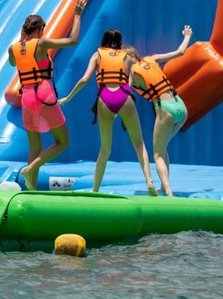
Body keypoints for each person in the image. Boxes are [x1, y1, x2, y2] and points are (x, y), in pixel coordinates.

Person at [59, 29, 157, 195]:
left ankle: (95, 189)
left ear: (104, 40)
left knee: (105, 148)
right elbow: (139, 74)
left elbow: (84, 79)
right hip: (124, 96)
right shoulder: (127, 56)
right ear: (119, 42)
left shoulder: (97, 55)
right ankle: (149, 181)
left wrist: (68, 98)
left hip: (105, 97)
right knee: (139, 144)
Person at [7, 0, 87, 191]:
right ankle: (31, 168)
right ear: (40, 29)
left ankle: (31, 189)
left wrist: (22, 40)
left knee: (34, 146)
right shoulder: (42, 43)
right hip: (44, 93)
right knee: (62, 142)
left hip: (26, 97)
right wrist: (77, 15)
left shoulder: (14, 48)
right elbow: (73, 40)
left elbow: (12, 63)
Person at [126, 25, 193, 196]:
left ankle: (169, 193)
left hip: (165, 110)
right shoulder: (151, 58)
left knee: (157, 154)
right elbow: (180, 52)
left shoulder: (132, 73)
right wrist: (186, 36)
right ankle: (164, 187)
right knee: (162, 149)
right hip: (181, 106)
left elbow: (125, 92)